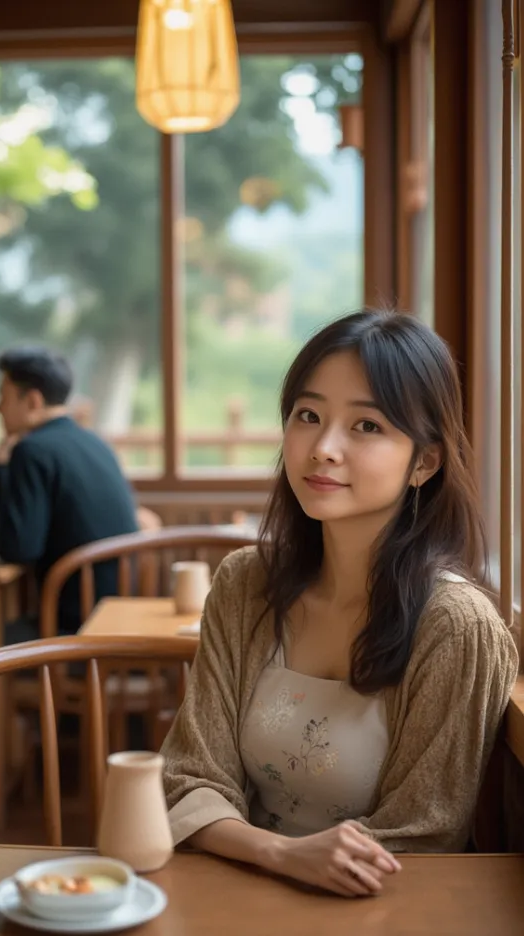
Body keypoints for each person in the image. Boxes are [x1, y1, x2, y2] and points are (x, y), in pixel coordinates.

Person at [161, 310, 518, 898]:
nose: (323, 448)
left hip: (375, 911)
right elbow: (189, 777)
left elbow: (421, 836)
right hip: (235, 887)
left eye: (367, 426)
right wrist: (279, 854)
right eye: (309, 416)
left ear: (424, 462)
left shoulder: (457, 627)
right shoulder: (245, 583)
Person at [0, 347, 139, 659]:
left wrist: (3, 469)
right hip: (121, 618)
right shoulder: (95, 442)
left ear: (32, 401)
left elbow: (18, 549)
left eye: (3, 397)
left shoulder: (31, 450)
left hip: (75, 629)